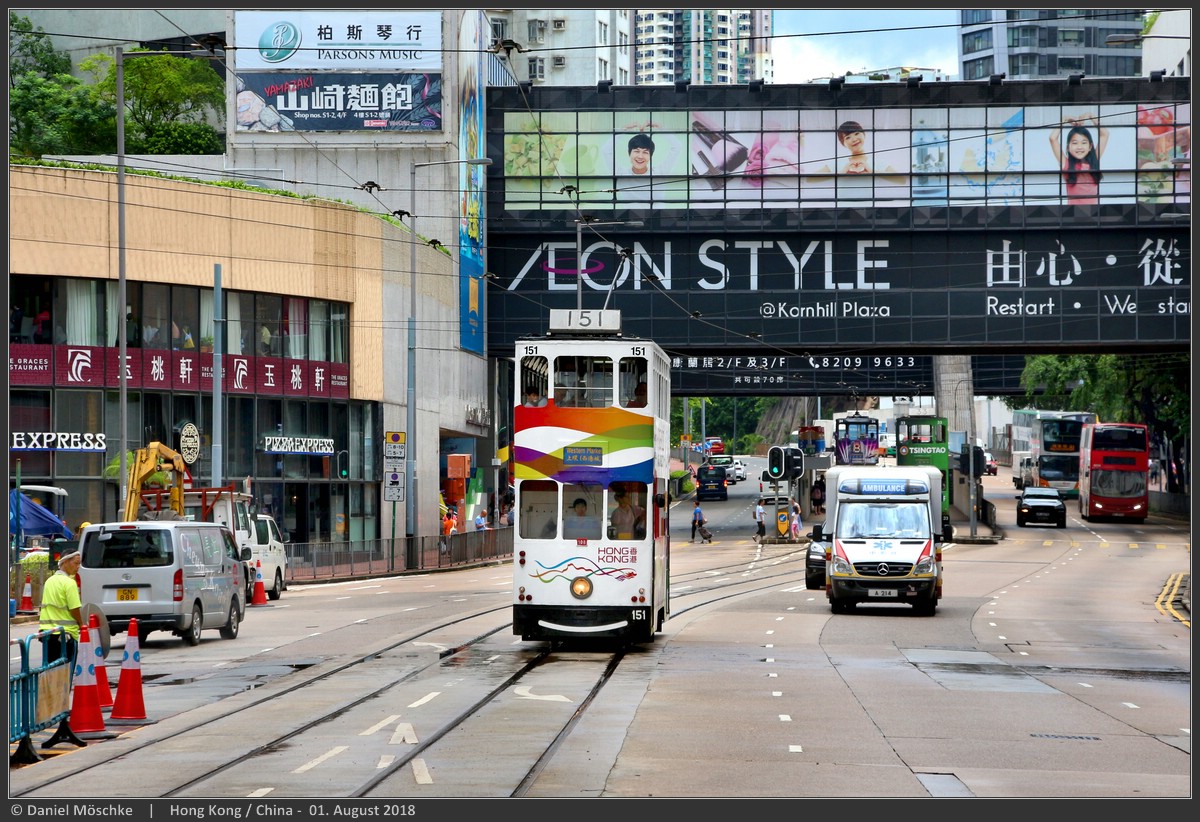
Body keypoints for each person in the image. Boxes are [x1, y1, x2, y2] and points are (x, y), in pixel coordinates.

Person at [1048, 114, 1108, 205]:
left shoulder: (1094, 160)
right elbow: (1053, 138)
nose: (1079, 147)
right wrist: (1064, 120)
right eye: (1075, 143)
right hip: (1073, 211)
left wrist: (1091, 116)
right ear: (1068, 147)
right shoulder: (1066, 164)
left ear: (1090, 146)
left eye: (1084, 143)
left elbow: (1105, 134)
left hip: (1094, 211)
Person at [38, 550, 83, 664]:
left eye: (79, 564)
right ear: (65, 562)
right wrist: (81, 624)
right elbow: (74, 609)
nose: (78, 567)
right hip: (65, 635)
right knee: (65, 671)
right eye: (76, 563)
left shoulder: (49, 581)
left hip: (47, 634)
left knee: (50, 670)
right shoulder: (69, 583)